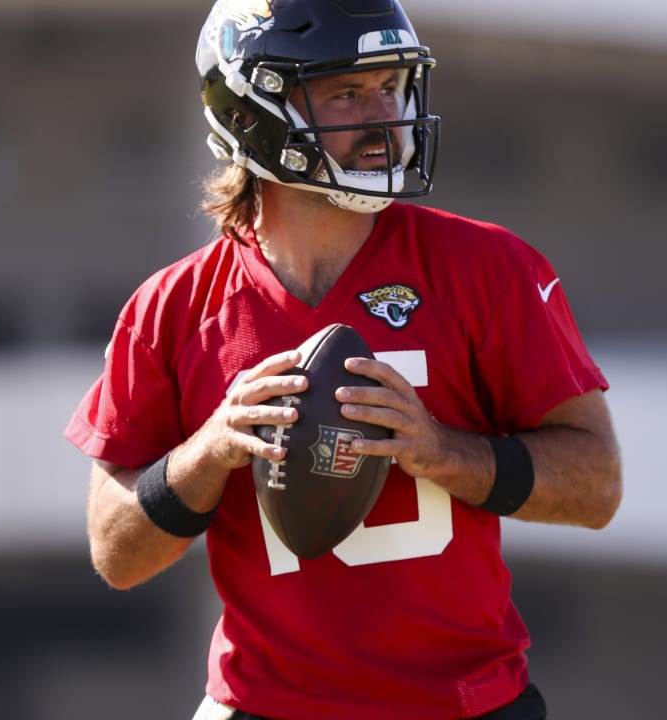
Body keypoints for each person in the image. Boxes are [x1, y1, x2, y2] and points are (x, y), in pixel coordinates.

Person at [64, 1, 622, 718]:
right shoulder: (172, 308)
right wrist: (209, 451)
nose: (386, 115)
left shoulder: (488, 269)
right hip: (264, 705)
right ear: (250, 111)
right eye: (349, 92)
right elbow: (117, 553)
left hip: (464, 706)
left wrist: (445, 452)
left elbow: (598, 485)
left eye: (392, 85)